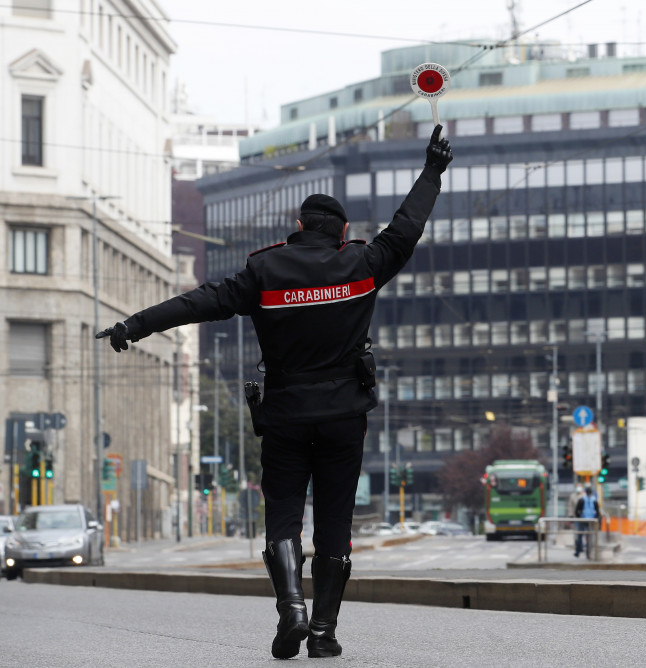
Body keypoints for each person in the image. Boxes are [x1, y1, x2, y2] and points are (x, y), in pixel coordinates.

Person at [97, 126, 453, 659]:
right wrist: (431, 171)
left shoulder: (263, 272)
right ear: (342, 231)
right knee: (334, 520)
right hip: (343, 417)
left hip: (285, 415)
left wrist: (133, 327)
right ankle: (324, 633)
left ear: (297, 226)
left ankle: (292, 608)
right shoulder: (362, 265)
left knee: (284, 513)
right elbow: (407, 228)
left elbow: (196, 303)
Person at [574, 485, 601, 558]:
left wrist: (579, 517)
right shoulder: (594, 500)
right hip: (591, 521)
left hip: (582, 520)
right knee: (589, 537)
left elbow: (576, 511)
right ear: (591, 492)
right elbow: (598, 512)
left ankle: (578, 550)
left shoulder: (582, 499)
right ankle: (588, 553)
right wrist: (595, 519)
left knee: (579, 535)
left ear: (585, 492)